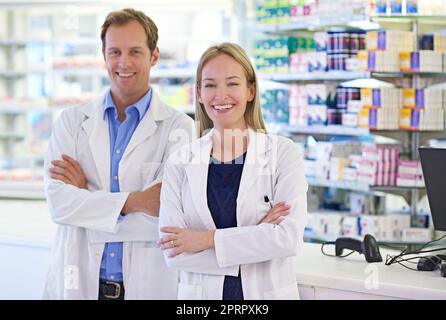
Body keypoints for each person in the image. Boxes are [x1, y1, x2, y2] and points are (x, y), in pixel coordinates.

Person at [43, 8, 194, 300]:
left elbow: (167, 220)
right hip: (79, 283)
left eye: (135, 51)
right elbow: (59, 205)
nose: (124, 63)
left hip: (145, 287)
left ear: (154, 56)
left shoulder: (180, 128)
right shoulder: (72, 122)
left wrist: (86, 203)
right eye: (115, 52)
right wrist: (135, 201)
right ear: (104, 56)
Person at [158, 42, 308, 300]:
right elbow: (173, 253)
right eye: (210, 85)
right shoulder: (180, 161)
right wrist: (257, 236)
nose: (221, 95)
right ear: (199, 93)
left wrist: (205, 240)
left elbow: (287, 239)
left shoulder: (283, 153)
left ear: (250, 90)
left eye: (232, 83)